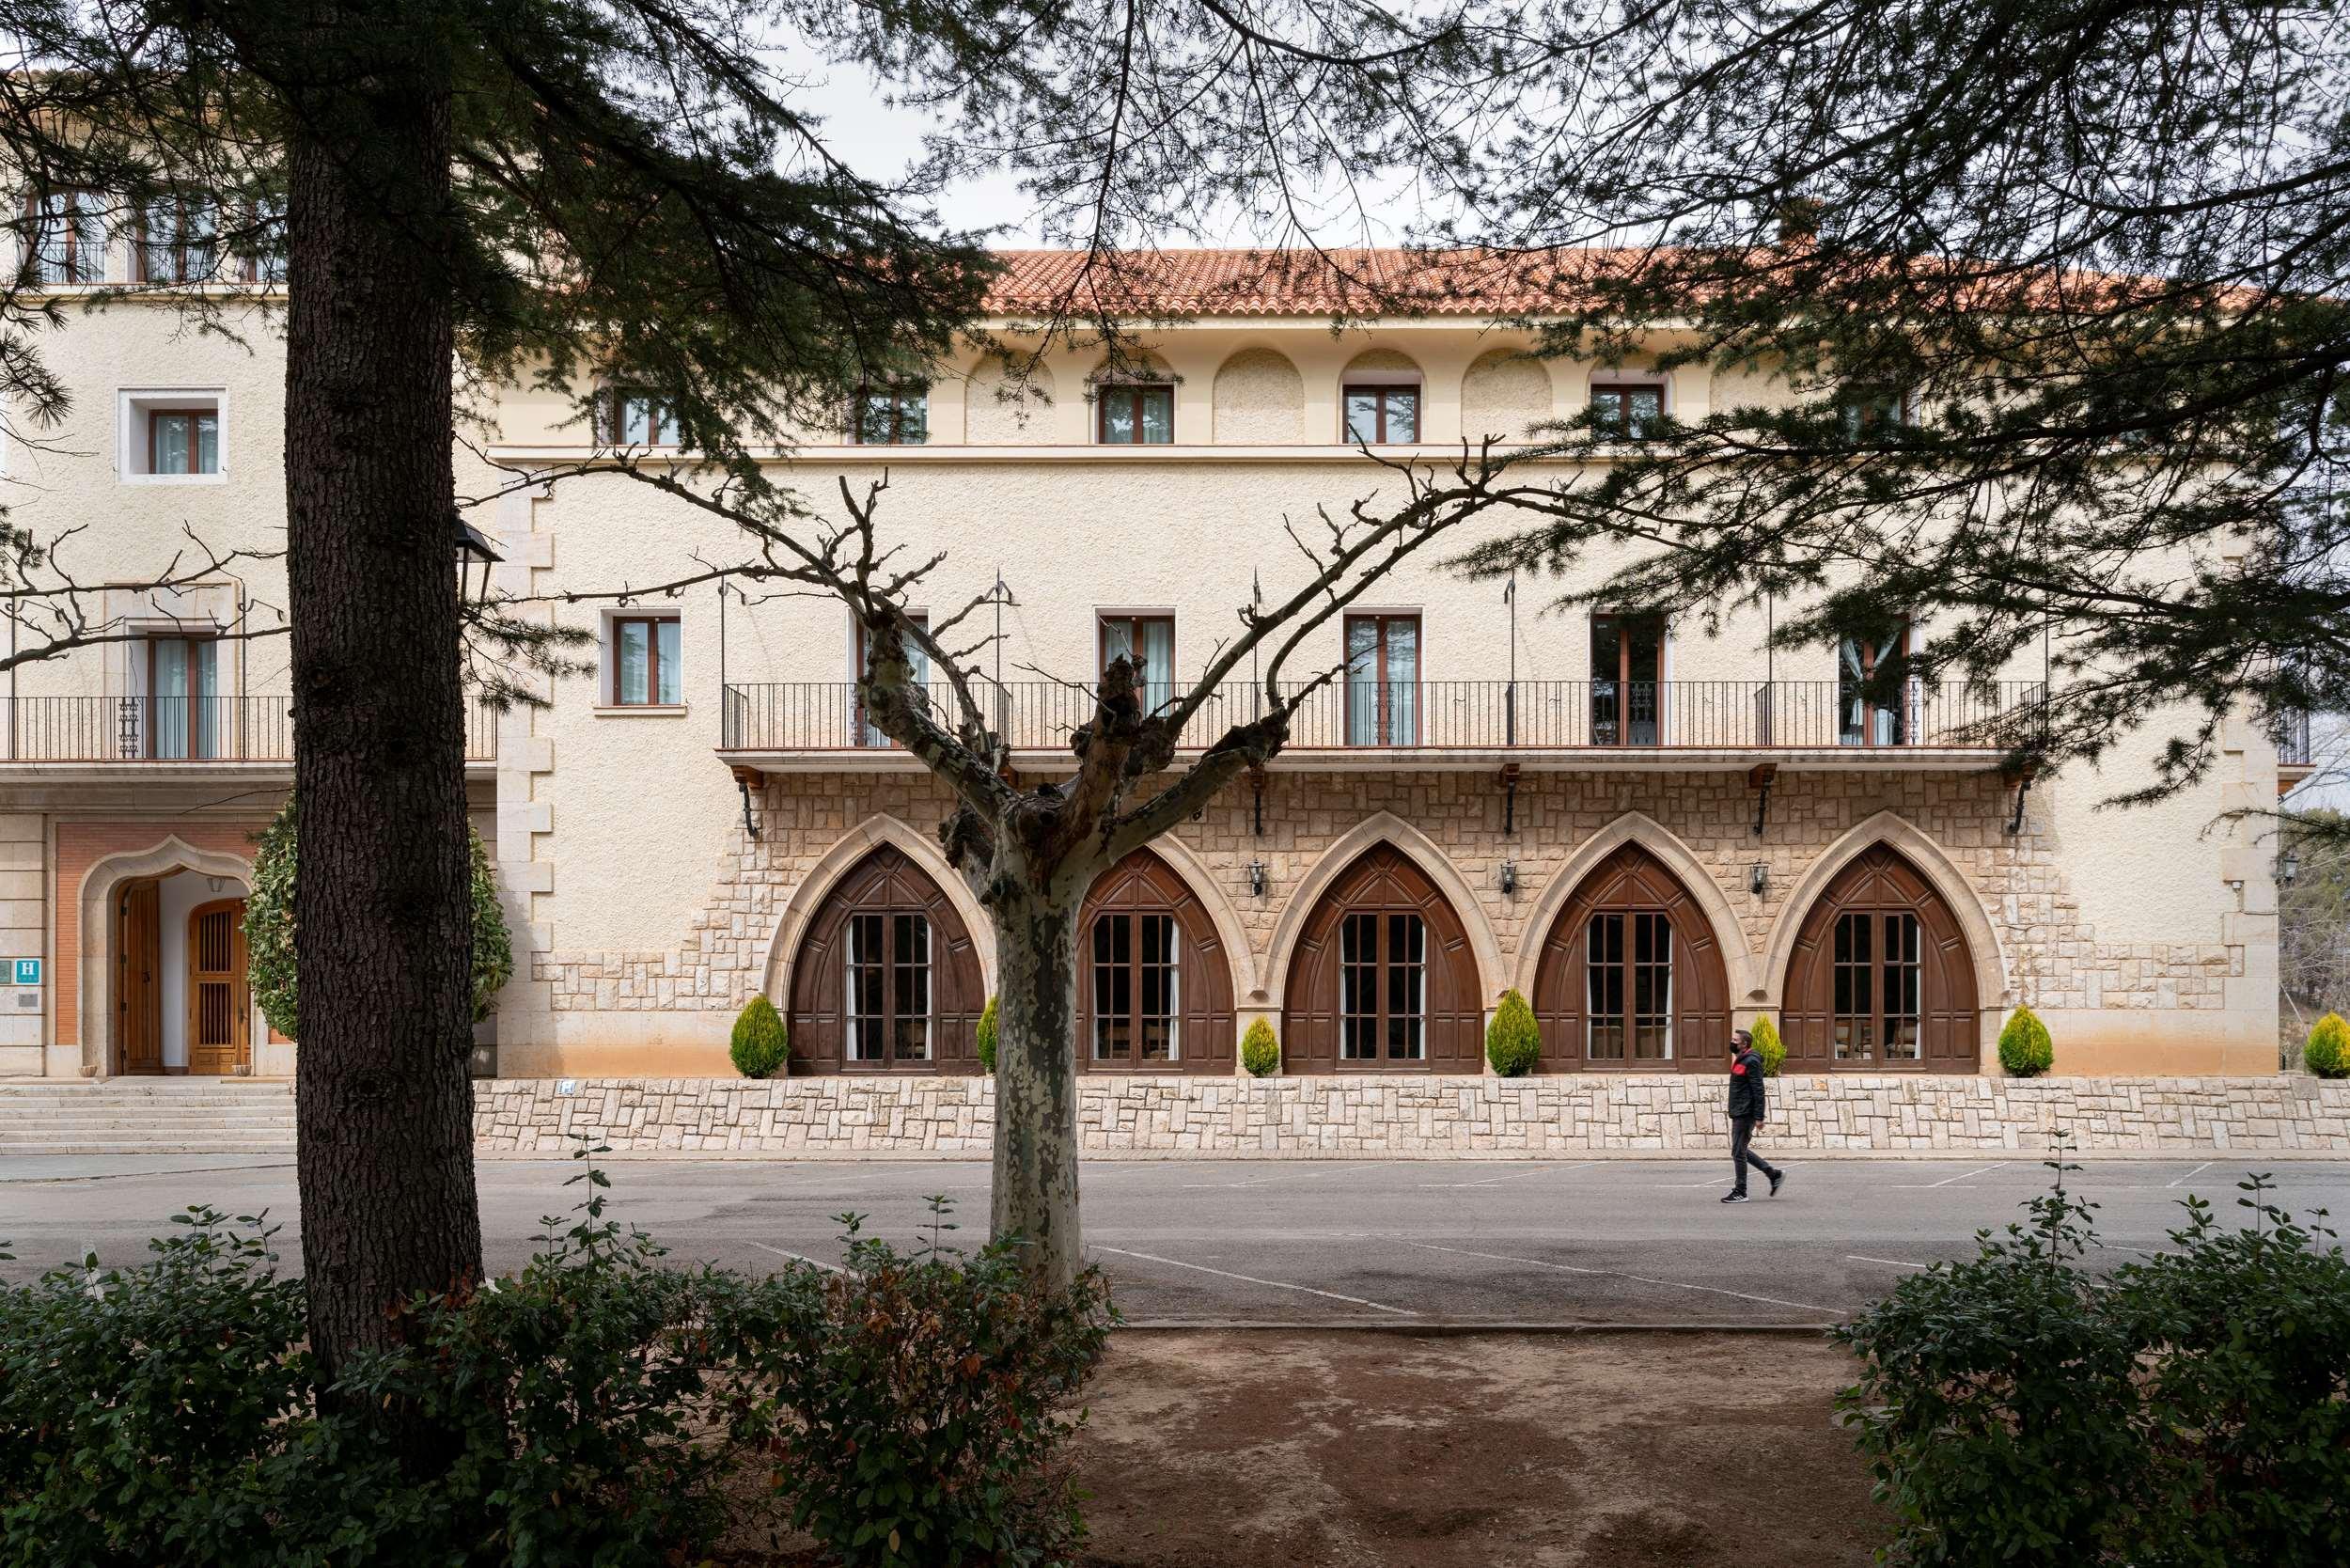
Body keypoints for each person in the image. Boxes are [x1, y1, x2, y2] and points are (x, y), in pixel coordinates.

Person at [1721, 1027, 1784, 1203]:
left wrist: (1759, 1116)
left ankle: (1741, 1191)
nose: (1732, 1042)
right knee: (1740, 1150)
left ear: (1744, 1044)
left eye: (1735, 1040)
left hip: (1745, 1113)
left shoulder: (1751, 1061)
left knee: (1738, 1152)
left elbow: (1758, 1090)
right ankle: (1773, 1174)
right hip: (1738, 1111)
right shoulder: (1740, 1059)